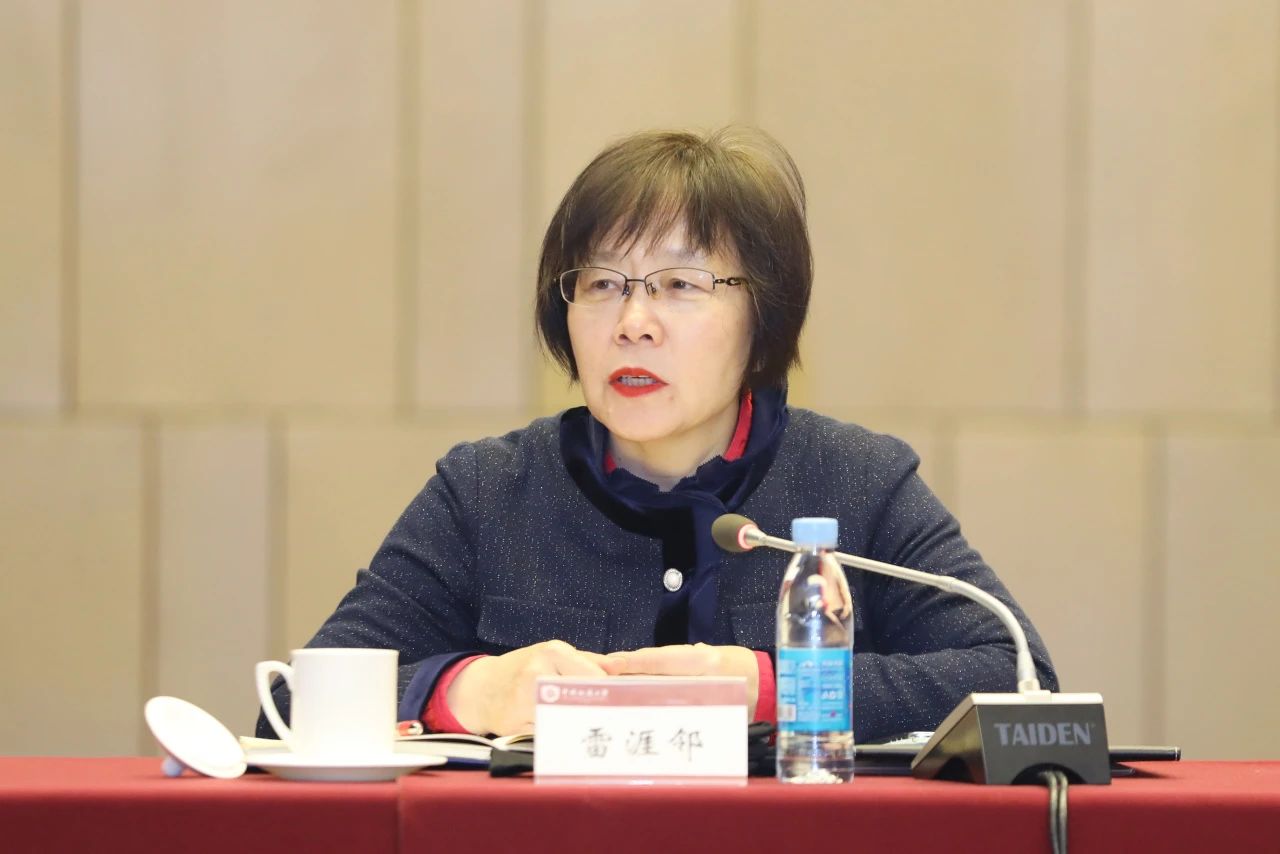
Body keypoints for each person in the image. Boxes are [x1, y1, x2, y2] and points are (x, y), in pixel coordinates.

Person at [258, 127, 1056, 742]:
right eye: (603, 283)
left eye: (680, 284)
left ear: (763, 314)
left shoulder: (855, 480)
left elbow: (1021, 684)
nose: (633, 322)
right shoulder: (488, 492)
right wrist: (469, 691)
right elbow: (289, 706)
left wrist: (769, 688)